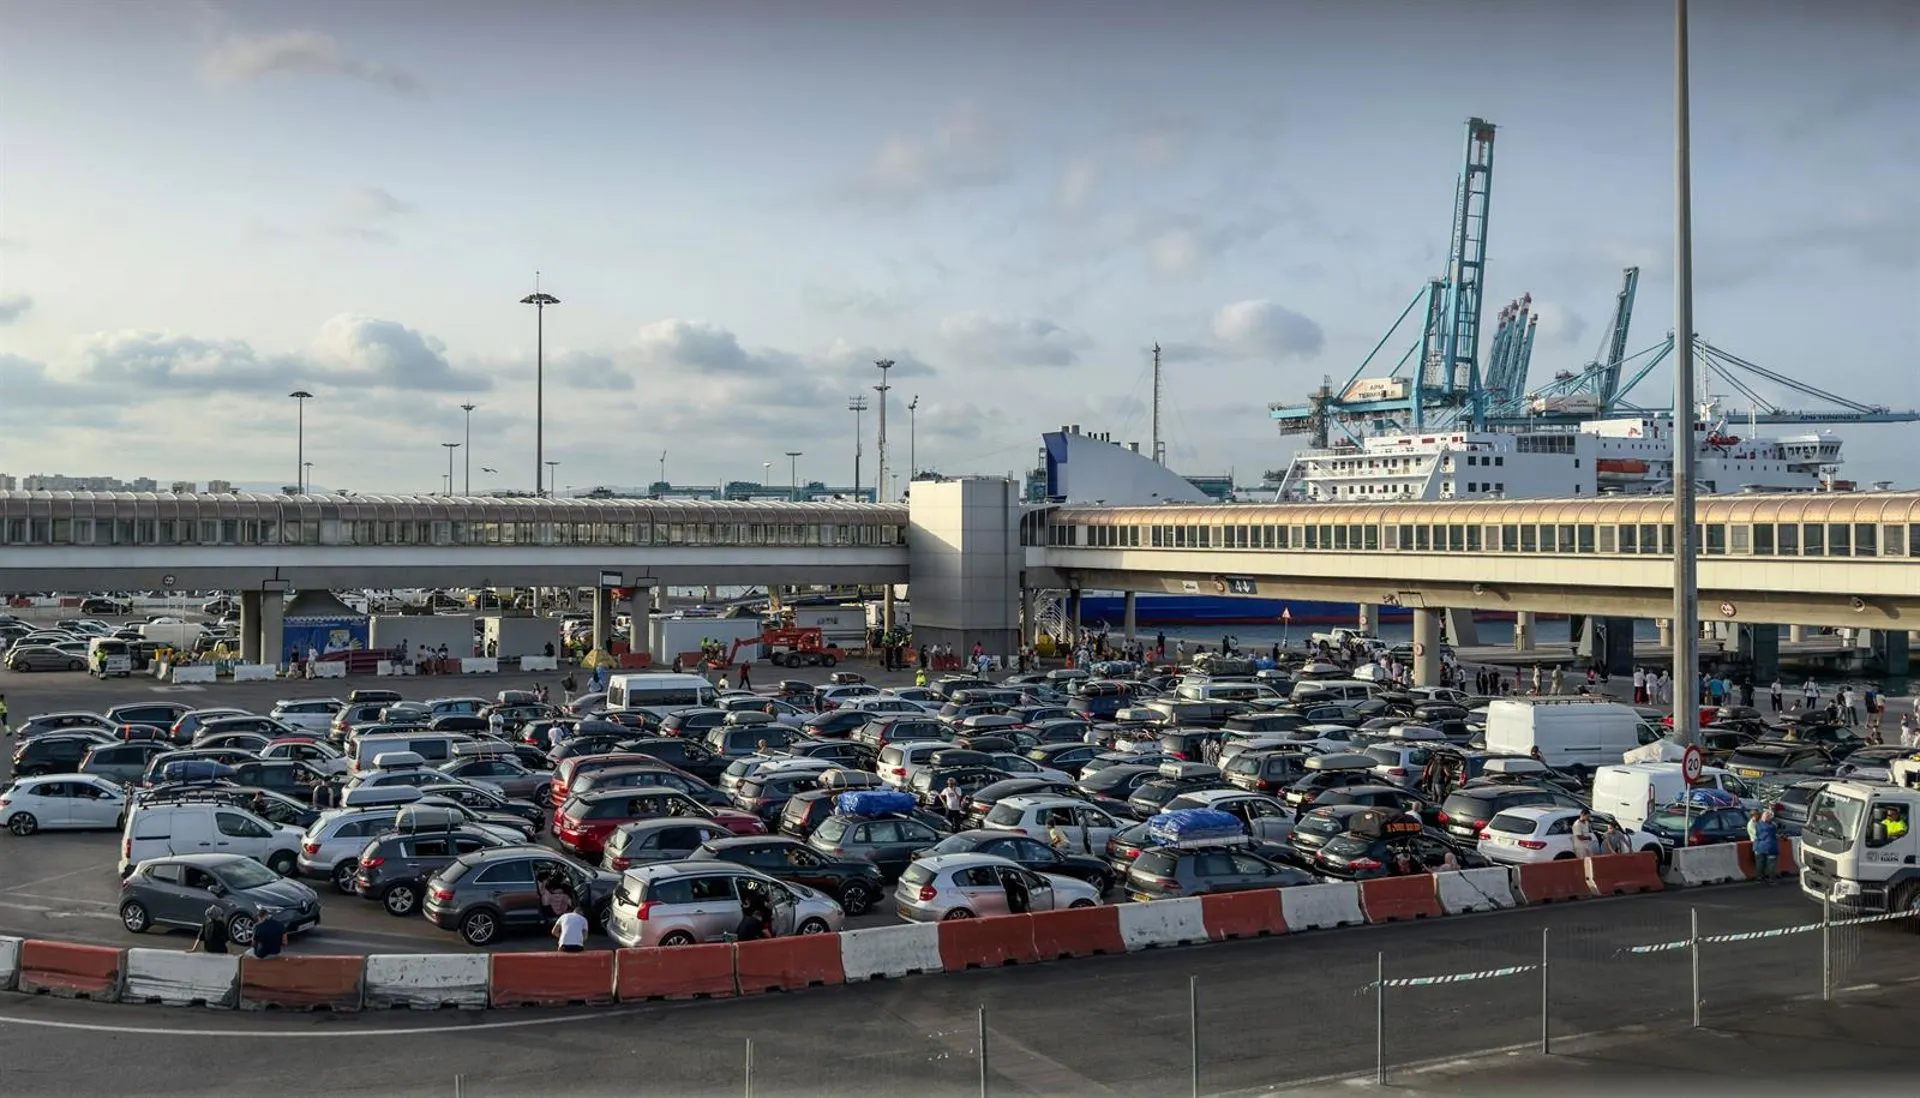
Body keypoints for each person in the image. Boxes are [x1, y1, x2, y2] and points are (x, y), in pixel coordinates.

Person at [1747, 809, 1781, 884]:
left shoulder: (1756, 825)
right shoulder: (1773, 825)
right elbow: (1775, 834)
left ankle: (1759, 878)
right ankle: (1771, 880)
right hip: (1771, 847)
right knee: (1771, 864)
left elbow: (1756, 836)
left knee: (1760, 864)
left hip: (1759, 847)